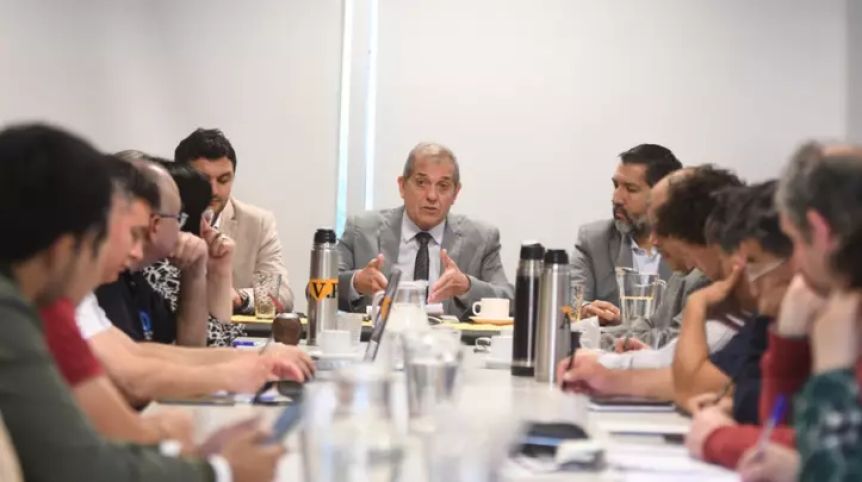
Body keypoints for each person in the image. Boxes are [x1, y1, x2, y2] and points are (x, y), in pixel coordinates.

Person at [0, 123, 283, 482]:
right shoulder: (13, 313)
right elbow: (84, 463)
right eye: (104, 238)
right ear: (64, 249)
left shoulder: (37, 301)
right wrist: (220, 470)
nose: (132, 251)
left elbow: (137, 355)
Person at [77, 156, 312, 408]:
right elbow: (132, 378)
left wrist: (255, 357)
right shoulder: (114, 276)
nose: (135, 250)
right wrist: (242, 371)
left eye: (223, 179)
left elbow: (145, 353)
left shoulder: (125, 277)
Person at [720, 143, 862, 482]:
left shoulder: (846, 318)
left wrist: (717, 439)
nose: (795, 263)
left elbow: (831, 461)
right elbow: (781, 432)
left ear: (821, 232)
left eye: (795, 240)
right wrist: (789, 339)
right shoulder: (838, 307)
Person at [558, 165, 750, 405]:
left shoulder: (732, 290)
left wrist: (607, 368)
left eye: (661, 225)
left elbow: (696, 381)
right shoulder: (691, 277)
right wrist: (636, 361)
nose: (653, 240)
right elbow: (677, 359)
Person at [337, 142, 513, 319]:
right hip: (379, 336)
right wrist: (356, 282)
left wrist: (467, 287)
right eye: (421, 183)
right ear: (402, 186)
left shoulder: (481, 239)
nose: (432, 196)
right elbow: (322, 289)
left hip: (449, 337)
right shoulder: (360, 230)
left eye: (443, 186)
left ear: (455, 193)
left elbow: (511, 301)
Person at [94, 154, 227, 345]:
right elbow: (130, 359)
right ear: (155, 223)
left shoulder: (135, 279)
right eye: (178, 218)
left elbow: (186, 353)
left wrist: (194, 273)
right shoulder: (106, 280)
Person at [175, 128, 294, 313]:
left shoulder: (257, 223)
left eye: (223, 180)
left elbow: (282, 295)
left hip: (230, 327)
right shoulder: (160, 220)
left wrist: (240, 298)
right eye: (203, 180)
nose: (214, 191)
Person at [572, 144, 681, 325]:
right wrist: (583, 310)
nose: (616, 198)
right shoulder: (593, 240)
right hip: (609, 342)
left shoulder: (690, 250)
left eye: (631, 189)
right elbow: (568, 304)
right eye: (616, 185)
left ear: (663, 196)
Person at [142, 158, 247, 346]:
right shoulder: (157, 267)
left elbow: (213, 341)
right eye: (203, 216)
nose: (207, 228)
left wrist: (219, 270)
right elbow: (211, 346)